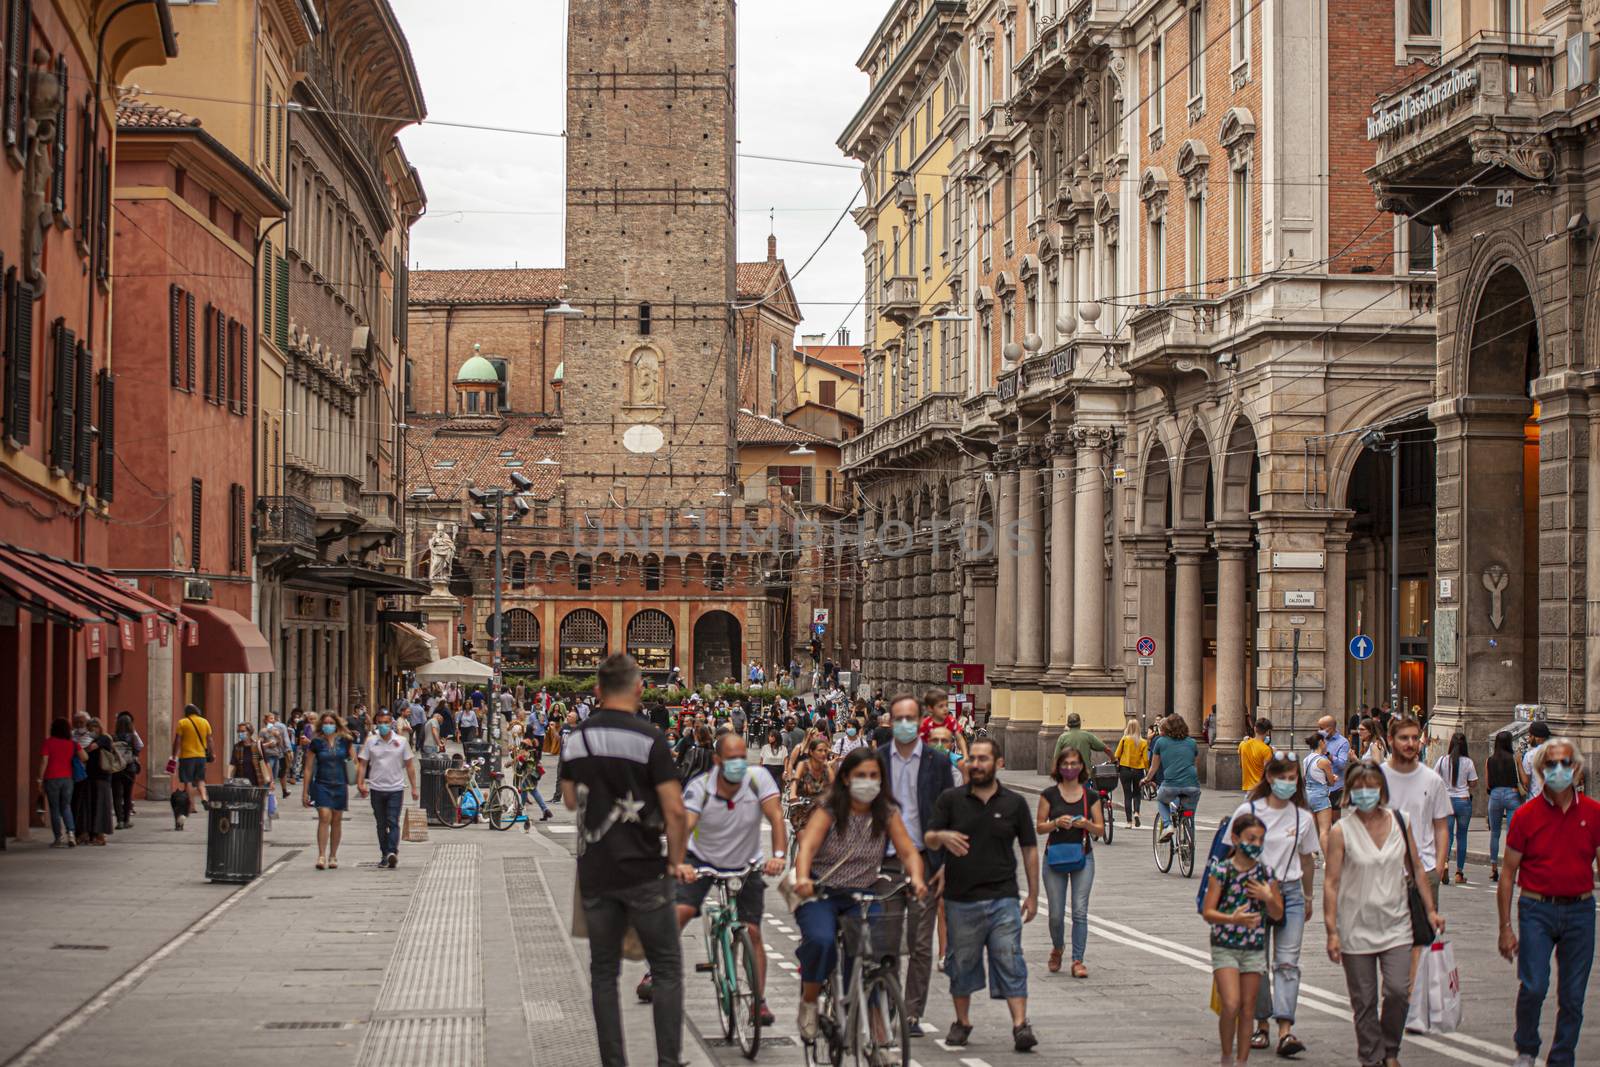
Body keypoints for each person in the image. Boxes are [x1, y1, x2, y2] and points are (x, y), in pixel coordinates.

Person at [559, 654, 688, 1067]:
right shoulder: (651, 738)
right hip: (645, 870)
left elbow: (566, 799)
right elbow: (675, 810)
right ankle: (668, 1061)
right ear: (638, 689)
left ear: (597, 691)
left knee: (603, 973)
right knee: (666, 967)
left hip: (596, 872)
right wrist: (677, 862)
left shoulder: (577, 737)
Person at [791, 746, 927, 1042]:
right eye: (861, 775)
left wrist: (916, 877)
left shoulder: (887, 813)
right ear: (845, 779)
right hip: (821, 892)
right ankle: (810, 1001)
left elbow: (908, 851)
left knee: (870, 956)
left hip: (862, 895)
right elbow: (809, 848)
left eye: (874, 776)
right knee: (822, 941)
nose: (868, 782)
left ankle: (878, 1030)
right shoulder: (830, 809)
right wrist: (802, 878)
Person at [1324, 762, 1444, 1067]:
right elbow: (1332, 882)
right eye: (1360, 788)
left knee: (1397, 992)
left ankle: (1390, 1049)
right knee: (1364, 1001)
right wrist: (1332, 930)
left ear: (1382, 789)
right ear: (1350, 792)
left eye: (1372, 786)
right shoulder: (1341, 831)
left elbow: (1416, 868)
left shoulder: (1400, 821)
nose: (1366, 793)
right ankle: (1372, 1057)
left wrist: (1430, 910)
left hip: (1397, 923)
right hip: (1355, 926)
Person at [663, 732, 786, 1026]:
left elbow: (776, 817)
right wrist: (679, 863)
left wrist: (779, 854)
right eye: (732, 759)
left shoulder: (758, 780)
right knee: (680, 911)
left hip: (746, 863)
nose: (739, 765)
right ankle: (656, 969)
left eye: (743, 758)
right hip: (702, 859)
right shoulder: (700, 788)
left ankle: (759, 1001)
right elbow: (683, 827)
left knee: (753, 931)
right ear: (717, 761)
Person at [925, 737, 1040, 1052]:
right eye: (972, 759)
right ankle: (962, 1022)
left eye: (984, 759)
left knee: (1010, 956)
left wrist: (1032, 894)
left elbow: (1029, 849)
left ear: (998, 763)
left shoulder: (1014, 803)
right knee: (961, 962)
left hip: (1003, 896)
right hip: (960, 899)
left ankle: (1020, 1025)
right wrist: (942, 836)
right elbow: (930, 838)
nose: (976, 764)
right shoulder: (951, 800)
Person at [1497, 739, 1600, 1067]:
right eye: (1552, 765)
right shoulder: (1525, 816)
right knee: (1534, 985)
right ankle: (1526, 1048)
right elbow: (1508, 873)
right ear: (1541, 771)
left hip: (1581, 910)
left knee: (1573, 996)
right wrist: (1505, 928)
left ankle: (1562, 1057)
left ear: (1577, 769)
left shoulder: (1594, 813)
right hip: (1536, 909)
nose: (1559, 771)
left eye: (1566, 764)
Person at [879, 693, 956, 1034]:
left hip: (925, 861)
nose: (906, 725)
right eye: (900, 719)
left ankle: (912, 1013)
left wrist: (944, 864)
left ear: (920, 720)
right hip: (886, 863)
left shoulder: (937, 764)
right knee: (888, 941)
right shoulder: (878, 761)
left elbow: (949, 813)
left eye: (912, 718)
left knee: (921, 943)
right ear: (891, 723)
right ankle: (888, 1002)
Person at [1236, 753, 1319, 1058]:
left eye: (1292, 778)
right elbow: (1234, 855)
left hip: (1291, 894)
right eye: (1281, 777)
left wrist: (1308, 897)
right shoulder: (1249, 811)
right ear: (1269, 778)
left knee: (1287, 963)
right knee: (1256, 964)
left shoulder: (1303, 817)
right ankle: (1262, 1025)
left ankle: (1286, 1030)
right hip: (1254, 893)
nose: (1286, 783)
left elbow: (1307, 860)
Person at [1202, 812, 1284, 1067]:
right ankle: (1227, 1056)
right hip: (1225, 945)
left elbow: (1278, 914)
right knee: (1231, 1003)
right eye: (1251, 838)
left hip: (1253, 946)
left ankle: (1241, 1061)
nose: (1256, 844)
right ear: (1236, 839)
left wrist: (1268, 896)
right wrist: (1232, 919)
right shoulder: (1222, 870)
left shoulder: (1266, 874)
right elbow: (1208, 912)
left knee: (1248, 1007)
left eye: (1260, 840)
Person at [1037, 746, 1102, 979]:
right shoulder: (1049, 795)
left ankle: (1077, 960)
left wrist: (1086, 824)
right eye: (1065, 764)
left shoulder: (1090, 796)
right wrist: (1056, 823)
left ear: (1082, 766)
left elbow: (1100, 830)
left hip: (1083, 856)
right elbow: (1040, 826)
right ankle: (1057, 947)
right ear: (1058, 767)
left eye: (1075, 763)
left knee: (1080, 910)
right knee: (1055, 913)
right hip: (1054, 856)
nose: (1070, 768)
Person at [1380, 716, 1451, 908]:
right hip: (1384, 873)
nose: (1410, 743)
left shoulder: (1433, 780)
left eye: (1414, 737)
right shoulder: (1376, 779)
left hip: (1425, 870)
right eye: (1403, 738)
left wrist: (1437, 869)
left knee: (1423, 935)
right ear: (1390, 739)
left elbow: (1441, 827)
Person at [356, 709, 418, 869]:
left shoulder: (401, 742)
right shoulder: (371, 741)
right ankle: (384, 854)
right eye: (380, 722)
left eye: (386, 722)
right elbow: (362, 763)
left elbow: (410, 765)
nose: (383, 725)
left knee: (393, 821)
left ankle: (392, 852)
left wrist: (414, 788)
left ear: (391, 723)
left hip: (395, 788)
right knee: (381, 824)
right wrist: (360, 783)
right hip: (376, 788)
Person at [302, 712, 353, 870]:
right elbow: (309, 768)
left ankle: (333, 855)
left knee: (337, 819)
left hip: (340, 784)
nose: (328, 725)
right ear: (321, 725)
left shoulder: (345, 741)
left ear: (336, 725)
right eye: (326, 723)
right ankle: (322, 855)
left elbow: (354, 762)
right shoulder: (316, 742)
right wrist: (305, 791)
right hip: (322, 784)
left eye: (331, 722)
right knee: (324, 816)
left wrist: (357, 778)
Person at [1144, 713, 1200, 843]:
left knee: (1161, 799)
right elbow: (1194, 765)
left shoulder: (1160, 742)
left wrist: (1146, 779)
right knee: (1189, 815)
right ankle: (1188, 844)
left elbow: (1154, 767)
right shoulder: (1192, 742)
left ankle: (1168, 824)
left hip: (1170, 784)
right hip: (1192, 785)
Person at [1432, 730, 1478, 884]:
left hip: (1446, 801)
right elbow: (1473, 783)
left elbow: (1434, 779)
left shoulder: (1442, 760)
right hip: (1463, 801)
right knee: (1462, 836)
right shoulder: (1468, 762)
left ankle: (1444, 863)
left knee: (1447, 835)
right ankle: (1459, 872)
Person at [1485, 730, 1530, 882]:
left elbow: (1488, 784)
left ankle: (1493, 868)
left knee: (1495, 834)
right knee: (1512, 835)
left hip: (1495, 795)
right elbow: (1524, 780)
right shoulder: (1515, 758)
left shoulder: (1489, 760)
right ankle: (1509, 870)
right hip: (1512, 795)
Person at [38, 718, 81, 847]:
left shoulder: (48, 742)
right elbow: (84, 756)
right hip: (68, 778)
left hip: (51, 778)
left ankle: (58, 838)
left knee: (55, 809)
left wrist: (39, 779)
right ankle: (71, 834)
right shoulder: (72, 743)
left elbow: (44, 761)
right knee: (66, 806)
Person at [170, 703, 212, 829]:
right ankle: (204, 798)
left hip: (187, 756)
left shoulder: (182, 722)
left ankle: (192, 805)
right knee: (200, 779)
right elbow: (210, 739)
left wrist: (174, 754)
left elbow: (178, 740)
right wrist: (212, 753)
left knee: (187, 781)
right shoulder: (205, 722)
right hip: (201, 756)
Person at [786, 733, 832, 838]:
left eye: (825, 751)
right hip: (802, 805)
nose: (823, 753)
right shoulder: (803, 765)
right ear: (811, 752)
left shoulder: (827, 768)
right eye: (820, 750)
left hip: (820, 806)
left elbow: (834, 785)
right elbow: (795, 781)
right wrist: (793, 795)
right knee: (803, 839)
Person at [1302, 732, 1336, 853]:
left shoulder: (1306, 760)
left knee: (1314, 830)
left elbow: (1305, 778)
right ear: (1321, 742)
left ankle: (1314, 856)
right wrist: (1333, 778)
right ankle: (1328, 860)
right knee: (1324, 831)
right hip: (1321, 796)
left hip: (1308, 795)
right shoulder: (1323, 761)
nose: (1326, 744)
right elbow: (1331, 782)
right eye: (1325, 742)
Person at [111, 711, 143, 829]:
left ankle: (119, 820)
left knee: (117, 796)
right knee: (127, 795)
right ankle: (126, 820)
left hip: (116, 769)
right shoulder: (133, 737)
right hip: (130, 769)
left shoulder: (113, 737)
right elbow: (138, 748)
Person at [1113, 718, 1148, 827]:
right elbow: (1146, 759)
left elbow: (1117, 754)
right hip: (1138, 770)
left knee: (1127, 795)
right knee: (1137, 793)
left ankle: (1129, 822)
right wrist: (1147, 769)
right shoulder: (1143, 742)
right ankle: (1136, 812)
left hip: (1125, 769)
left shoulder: (1124, 739)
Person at [1316, 715, 1351, 812]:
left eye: (1321, 728)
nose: (1318, 730)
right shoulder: (1319, 740)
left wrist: (1327, 753)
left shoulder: (1343, 742)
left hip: (1335, 788)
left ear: (1330, 729)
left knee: (1334, 820)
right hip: (1319, 787)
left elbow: (1342, 765)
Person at [228, 721, 271, 787]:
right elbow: (232, 764)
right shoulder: (237, 747)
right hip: (240, 783)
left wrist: (271, 781)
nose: (240, 733)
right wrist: (229, 778)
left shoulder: (257, 745)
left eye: (243, 731)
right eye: (239, 731)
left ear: (249, 732)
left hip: (256, 782)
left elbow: (266, 763)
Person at [1238, 718, 1273, 793]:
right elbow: (1268, 772)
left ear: (1254, 729)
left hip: (1248, 790)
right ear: (1267, 732)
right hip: (1261, 789)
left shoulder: (1242, 744)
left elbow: (1241, 765)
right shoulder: (1266, 750)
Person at [1522, 720, 1552, 798]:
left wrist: (1518, 762)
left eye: (1530, 736)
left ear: (1537, 738)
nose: (1529, 739)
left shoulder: (1529, 755)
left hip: (1535, 798)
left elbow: (1526, 784)